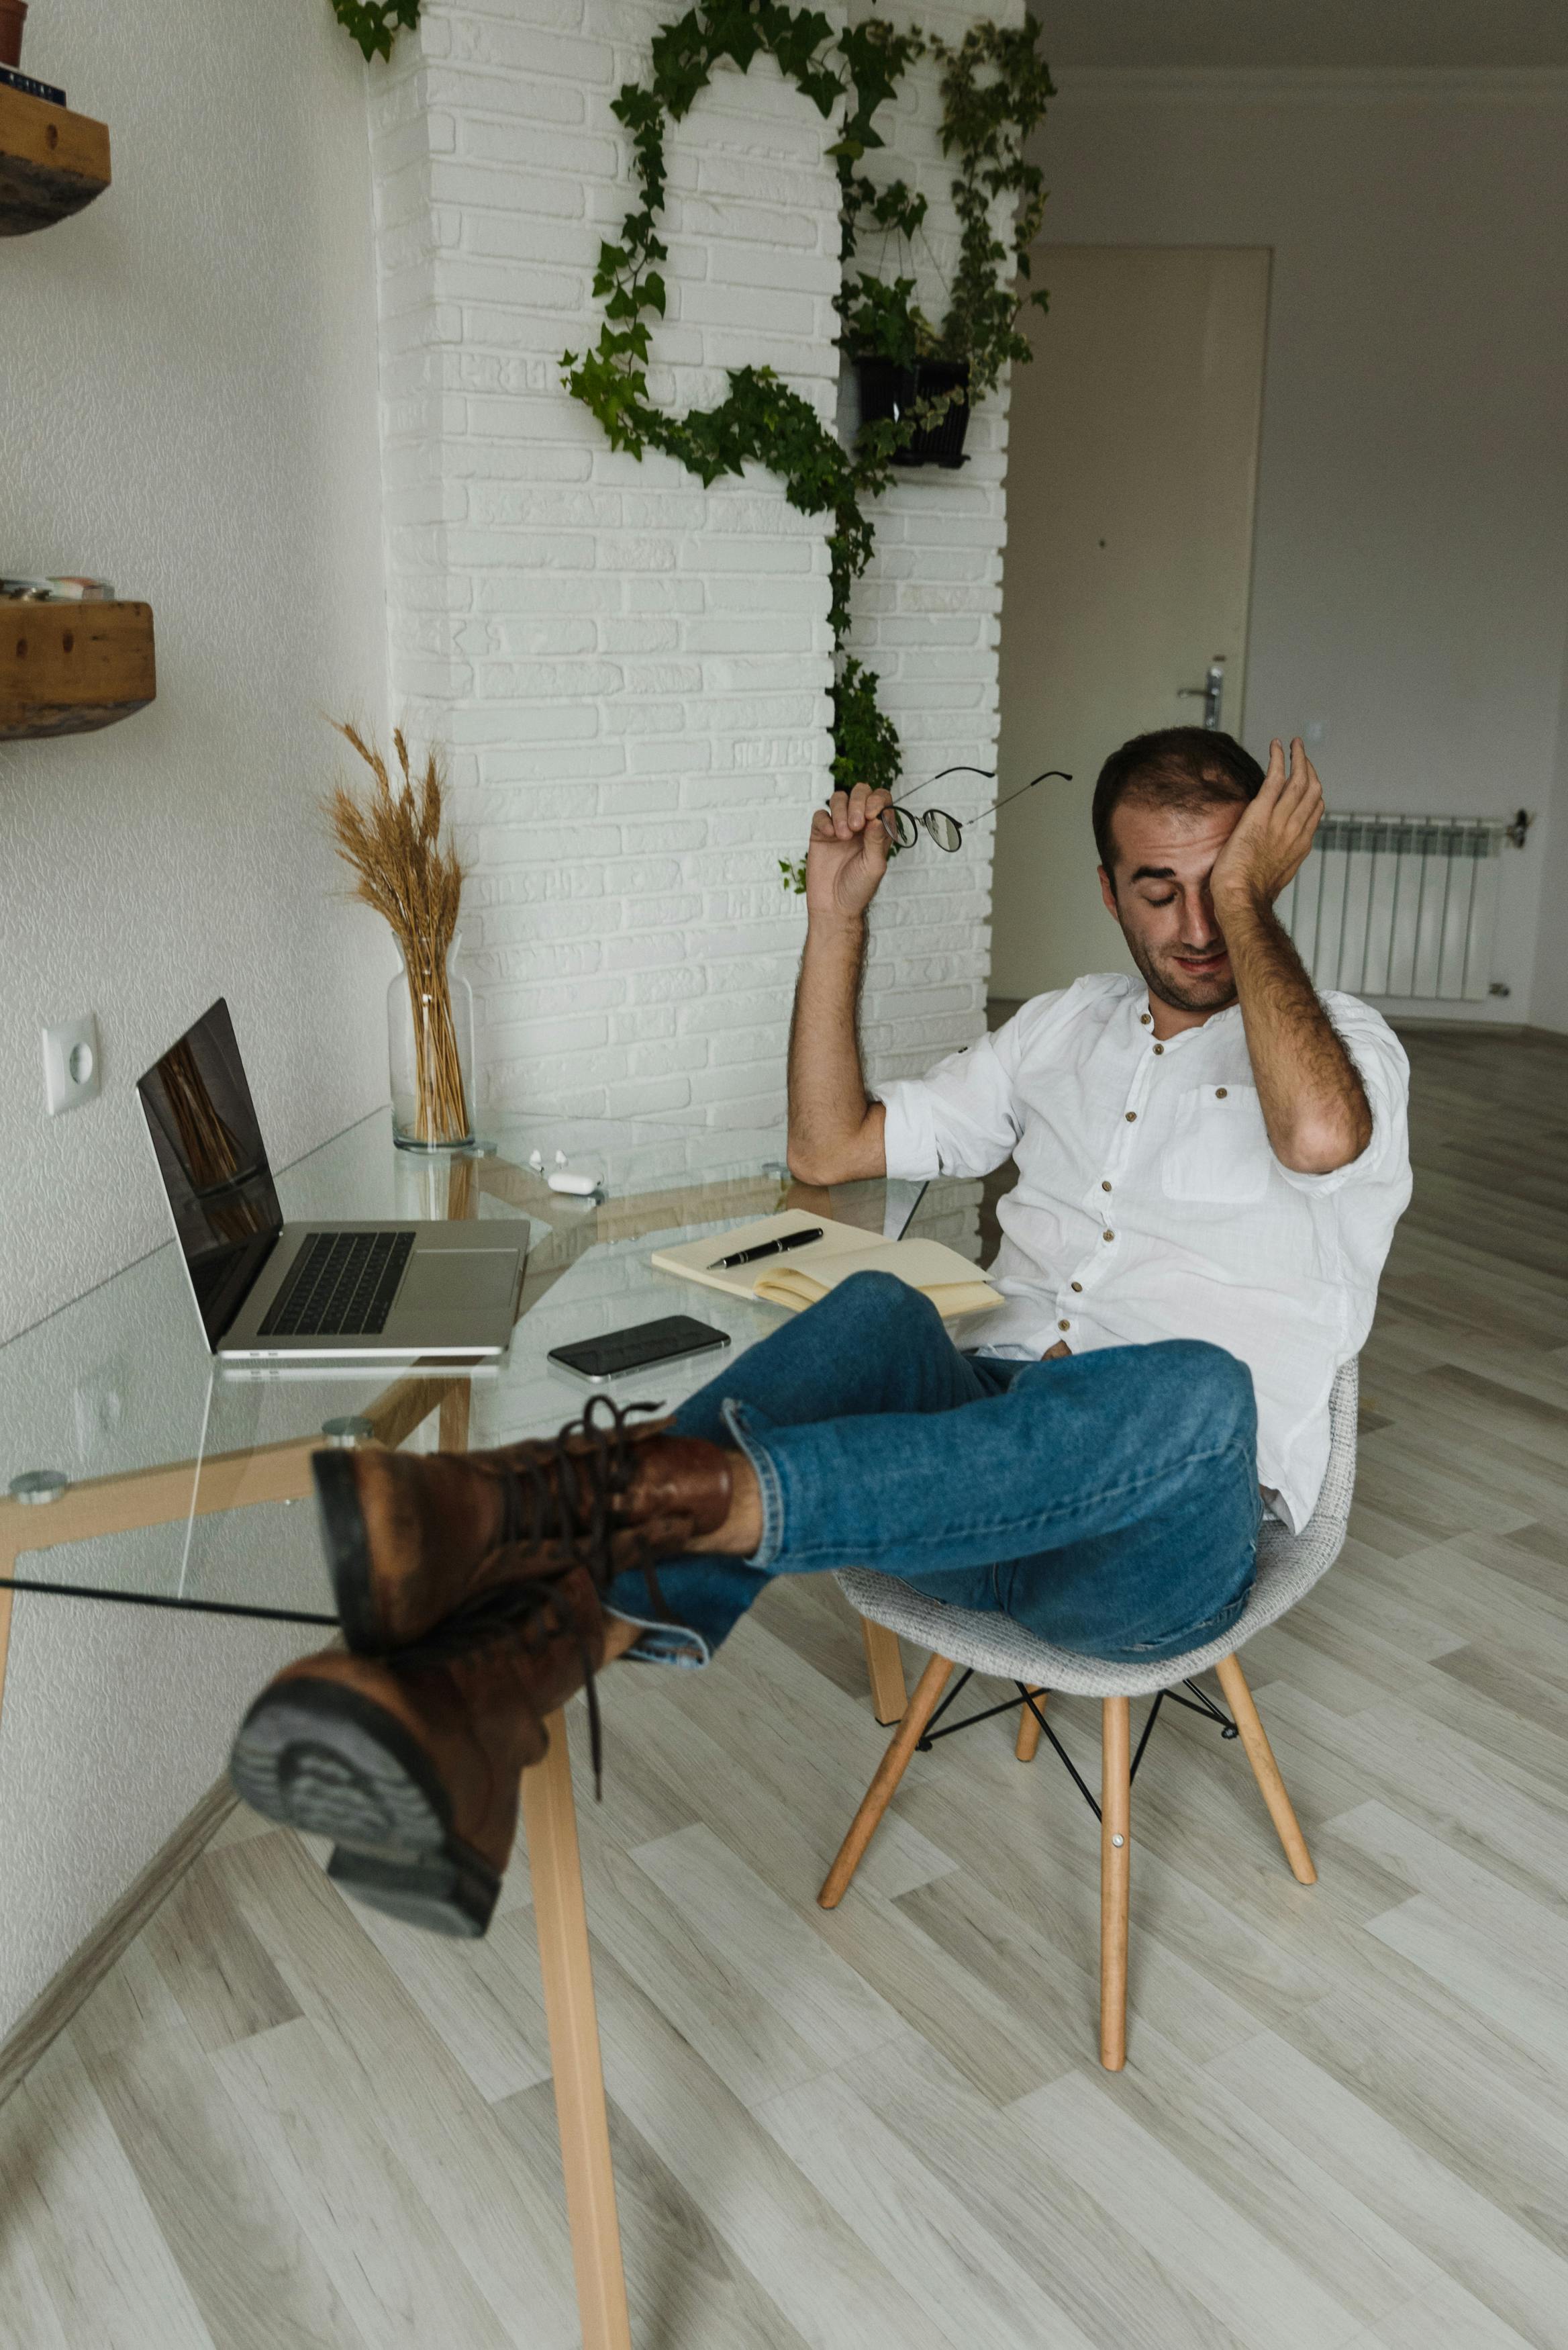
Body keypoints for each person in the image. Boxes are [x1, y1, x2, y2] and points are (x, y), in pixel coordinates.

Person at [230, 728, 1410, 1939]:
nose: (1198, 924)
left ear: (1269, 872)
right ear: (1109, 890)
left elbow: (1318, 1139)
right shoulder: (1063, 1030)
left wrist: (1247, 901)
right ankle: (491, 1692)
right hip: (947, 1491)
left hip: (1148, 1539)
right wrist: (836, 921)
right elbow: (828, 1148)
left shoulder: (1349, 1050)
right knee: (879, 1311)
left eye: (1225, 883)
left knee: (1195, 1387)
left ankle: (573, 1495)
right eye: (1160, 888)